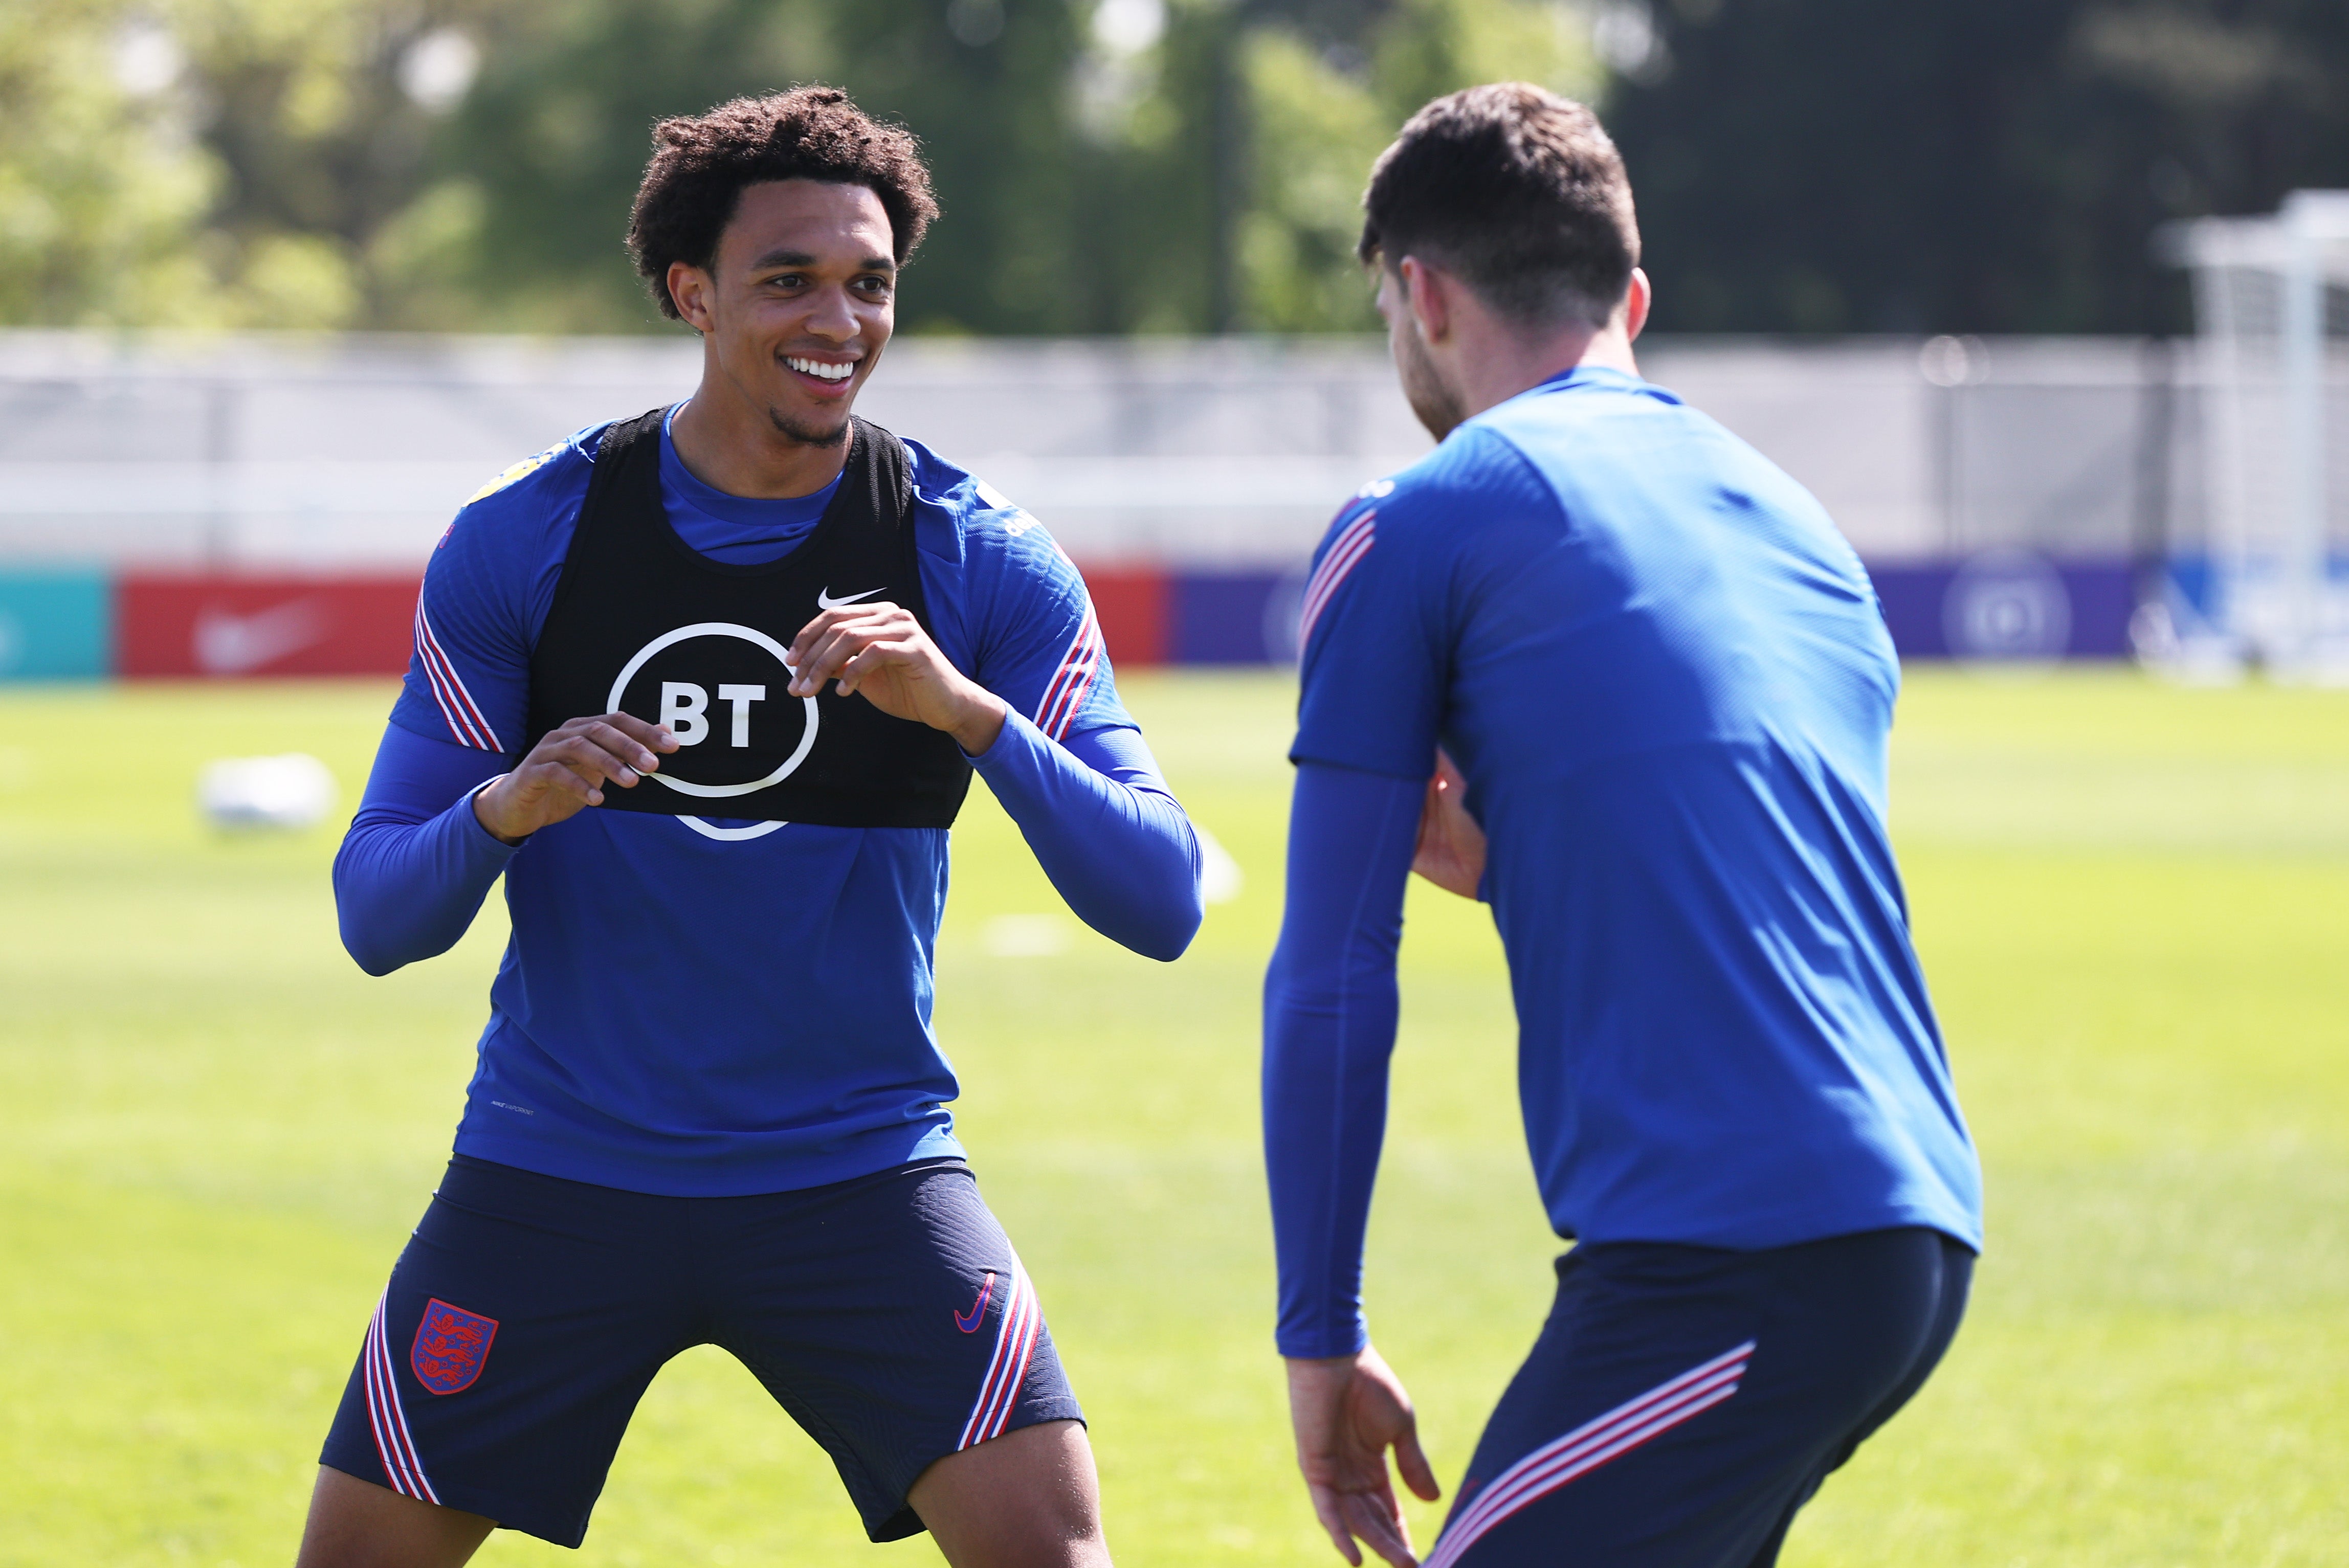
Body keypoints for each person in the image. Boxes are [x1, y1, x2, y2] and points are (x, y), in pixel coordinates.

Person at [300, 88, 1200, 1568]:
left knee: (1059, 1552)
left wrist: (969, 714)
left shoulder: (975, 555)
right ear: (692, 291)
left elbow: (1162, 898)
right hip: (559, 1170)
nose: (835, 318)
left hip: (862, 1174)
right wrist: (507, 806)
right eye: (788, 279)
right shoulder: (529, 540)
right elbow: (375, 913)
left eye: (869, 282)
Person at [1262, 84, 1983, 1568]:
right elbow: (1756, 875)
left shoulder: (1413, 523)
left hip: (1738, 1261)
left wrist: (1320, 1332)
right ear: (1632, 295)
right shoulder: (1798, 525)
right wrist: (1521, 856)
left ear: (1421, 293)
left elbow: (1332, 973)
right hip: (1901, 1211)